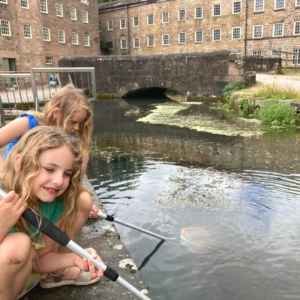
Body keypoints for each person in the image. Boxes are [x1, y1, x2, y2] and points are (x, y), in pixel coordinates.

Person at [0, 126, 103, 300]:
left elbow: (40, 260)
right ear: (19, 163)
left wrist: (72, 259)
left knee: (25, 247)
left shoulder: (54, 204)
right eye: (49, 169)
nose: (58, 181)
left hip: (12, 283)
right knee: (18, 244)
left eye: (67, 173)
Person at [0, 84, 100, 225]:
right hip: (17, 177)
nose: (77, 128)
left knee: (82, 155)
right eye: (73, 122)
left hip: (43, 182)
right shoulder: (28, 123)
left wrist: (81, 197)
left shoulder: (67, 138)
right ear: (56, 113)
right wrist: (7, 176)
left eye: (80, 123)